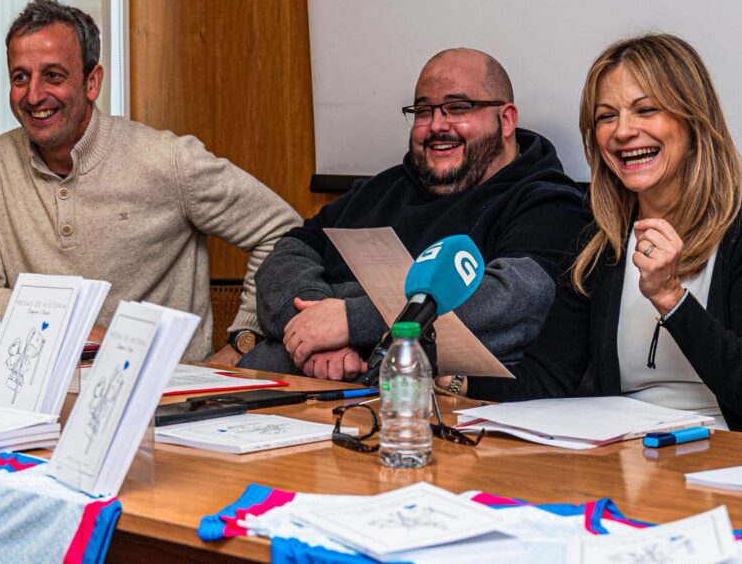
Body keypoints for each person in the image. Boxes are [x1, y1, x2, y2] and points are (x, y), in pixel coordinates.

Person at [452, 33, 742, 438]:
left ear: (693, 119)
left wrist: (670, 298)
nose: (623, 131)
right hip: (631, 463)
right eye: (606, 116)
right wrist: (448, 378)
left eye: (645, 110)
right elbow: (545, 379)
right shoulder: (599, 244)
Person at [0, 0, 301, 361]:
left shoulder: (169, 160)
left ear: (92, 82)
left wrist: (245, 338)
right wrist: (85, 332)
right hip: (28, 385)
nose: (34, 95)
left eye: (53, 75)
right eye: (21, 77)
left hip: (165, 395)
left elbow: (283, 232)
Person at [215, 47, 589, 380]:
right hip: (283, 389)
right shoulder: (382, 188)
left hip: (413, 416)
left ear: (505, 120)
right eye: (424, 111)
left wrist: (349, 320)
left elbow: (510, 304)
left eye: (458, 108)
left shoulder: (548, 202)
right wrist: (311, 326)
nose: (437, 125)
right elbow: (290, 252)